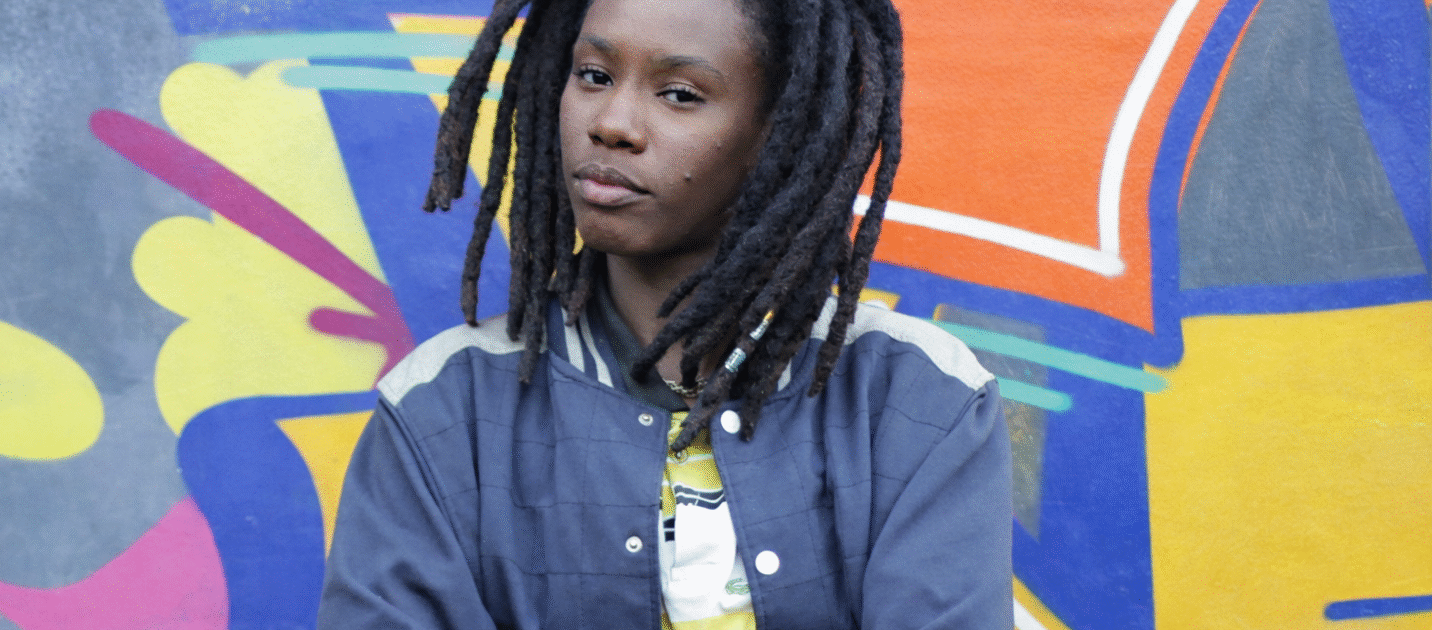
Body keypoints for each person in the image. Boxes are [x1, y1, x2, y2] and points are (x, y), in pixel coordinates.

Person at [318, 0, 1012, 627]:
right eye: (593, 76)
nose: (612, 124)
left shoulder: (916, 398)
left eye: (680, 94)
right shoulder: (443, 411)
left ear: (779, 130)